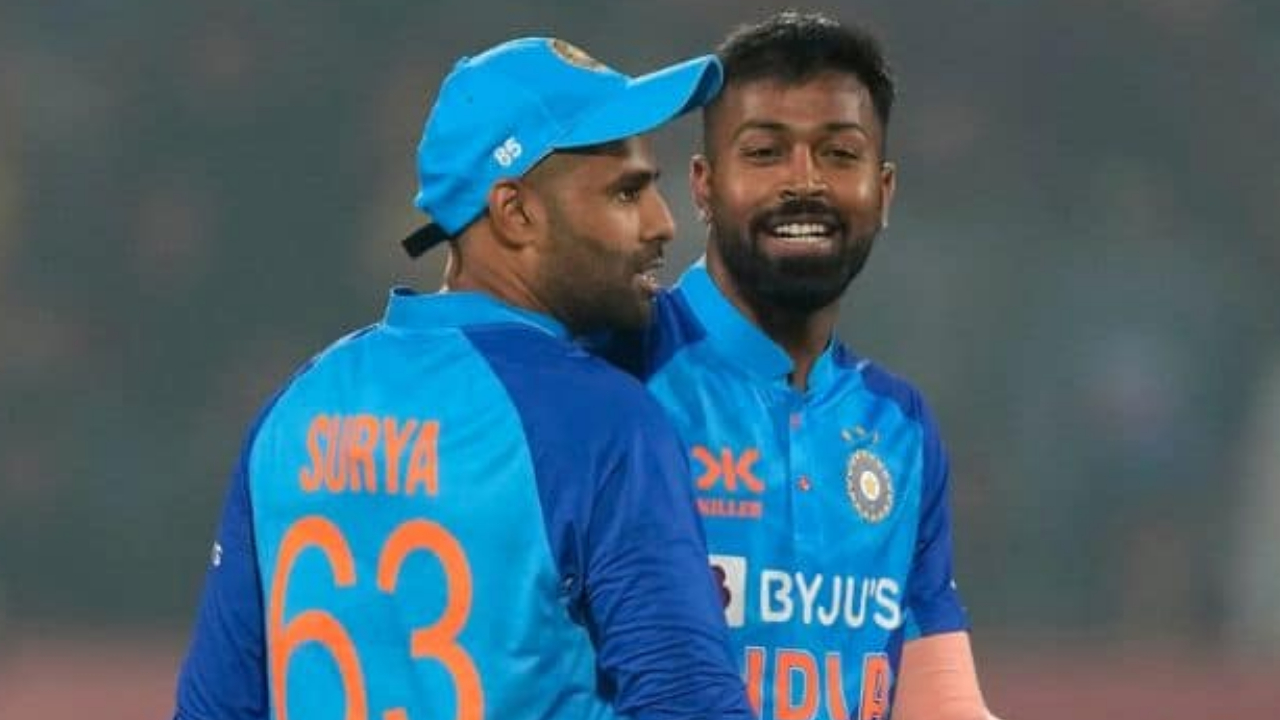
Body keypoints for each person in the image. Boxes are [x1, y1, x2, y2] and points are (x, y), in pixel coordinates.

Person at [172, 37, 753, 720]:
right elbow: (688, 706)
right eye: (627, 192)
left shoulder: (294, 409)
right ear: (515, 212)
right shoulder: (599, 423)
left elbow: (215, 708)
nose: (662, 223)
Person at [604, 12, 1002, 720]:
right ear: (703, 183)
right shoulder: (616, 367)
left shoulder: (898, 425)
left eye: (839, 154)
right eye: (765, 153)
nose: (805, 183)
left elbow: (938, 694)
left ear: (884, 192)